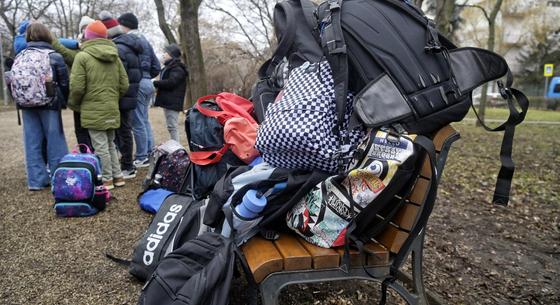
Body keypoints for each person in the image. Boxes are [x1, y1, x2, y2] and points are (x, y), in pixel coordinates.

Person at [68, 21, 129, 190]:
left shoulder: (82, 56)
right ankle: (118, 176)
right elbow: (124, 84)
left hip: (92, 108)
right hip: (111, 106)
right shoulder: (114, 57)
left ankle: (107, 180)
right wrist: (111, 97)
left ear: (87, 37)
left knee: (100, 145)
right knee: (110, 143)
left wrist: (74, 104)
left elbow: (77, 87)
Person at [10, 22, 69, 190]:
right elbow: (64, 83)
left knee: (32, 141)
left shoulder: (20, 56)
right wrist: (64, 101)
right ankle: (60, 179)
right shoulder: (53, 55)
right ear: (47, 35)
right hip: (49, 103)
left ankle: (36, 181)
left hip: (25, 103)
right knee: (55, 140)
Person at [100, 11, 143, 179]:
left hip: (122, 94)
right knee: (125, 129)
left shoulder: (117, 48)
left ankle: (127, 166)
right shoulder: (130, 44)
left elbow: (119, 74)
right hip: (131, 92)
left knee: (123, 130)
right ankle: (127, 163)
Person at [118, 12, 160, 168]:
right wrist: (148, 76)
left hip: (139, 83)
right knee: (144, 120)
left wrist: (139, 77)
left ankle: (142, 156)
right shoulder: (145, 40)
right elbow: (156, 66)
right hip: (148, 82)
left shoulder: (130, 40)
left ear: (125, 25)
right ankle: (150, 153)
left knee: (137, 122)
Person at [52, 15, 96, 152]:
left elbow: (61, 48)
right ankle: (91, 158)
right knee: (85, 130)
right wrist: (76, 44)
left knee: (88, 131)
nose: (85, 32)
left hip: (86, 97)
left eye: (88, 28)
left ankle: (92, 159)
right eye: (83, 28)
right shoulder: (79, 49)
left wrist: (72, 101)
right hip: (90, 98)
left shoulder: (80, 55)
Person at [153, 44, 188, 142]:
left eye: (166, 52)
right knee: (171, 126)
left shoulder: (177, 68)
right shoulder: (169, 67)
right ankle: (174, 146)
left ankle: (176, 149)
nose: (163, 54)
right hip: (169, 102)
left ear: (171, 54)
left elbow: (171, 82)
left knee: (172, 127)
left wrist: (155, 83)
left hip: (173, 102)